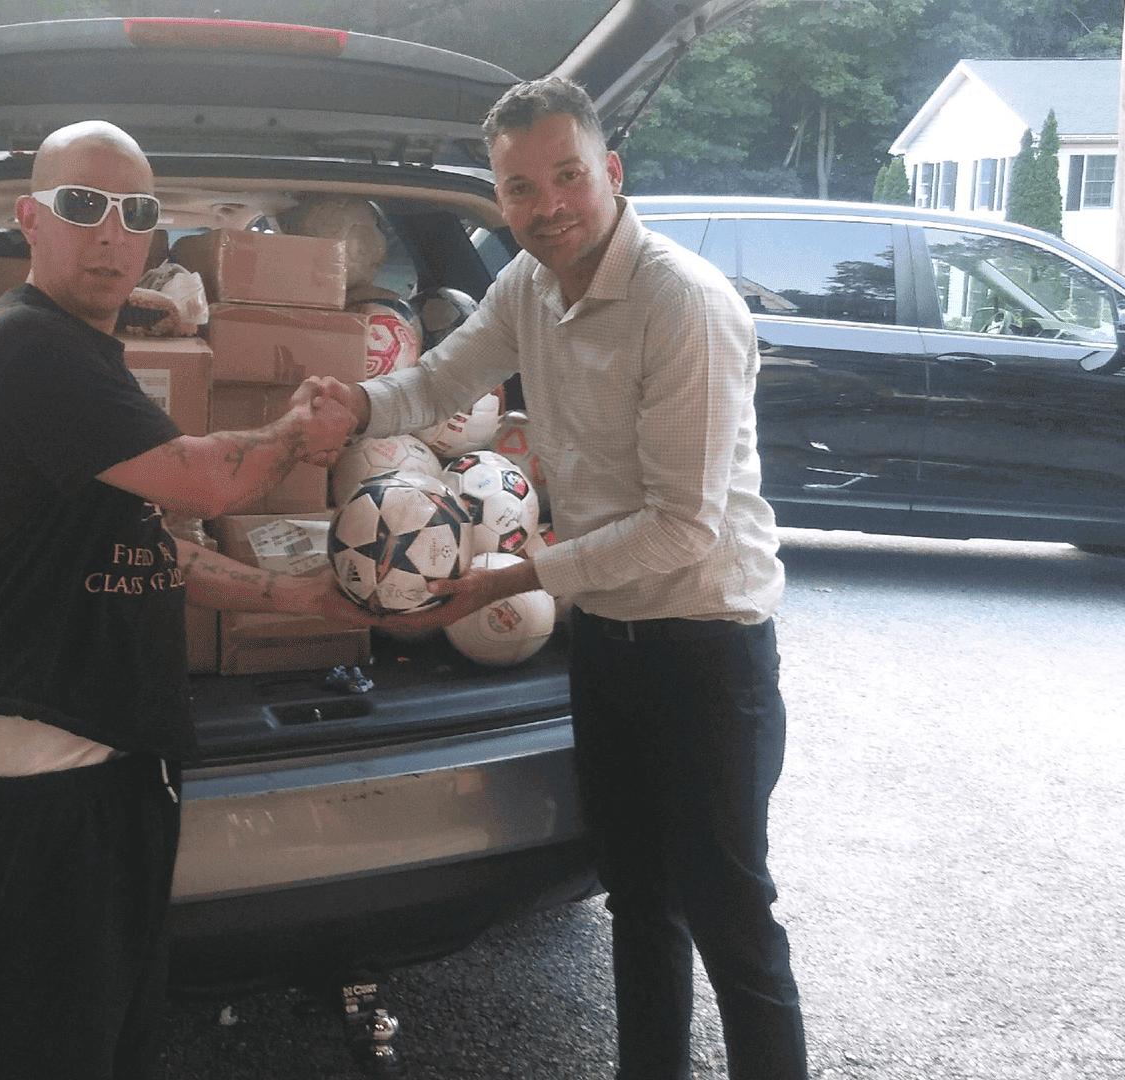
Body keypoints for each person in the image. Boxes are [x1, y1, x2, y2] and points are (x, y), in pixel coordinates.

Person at [313, 77, 810, 1080]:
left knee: (729, 917)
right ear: (499, 199)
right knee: (637, 902)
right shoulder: (529, 287)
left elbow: (680, 527)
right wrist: (350, 411)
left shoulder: (684, 304)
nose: (547, 207)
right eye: (520, 188)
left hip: (707, 646)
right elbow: (439, 381)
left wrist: (514, 577)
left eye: (567, 177)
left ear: (610, 173)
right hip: (611, 645)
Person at [0, 119, 360, 1080]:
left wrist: (296, 601)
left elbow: (143, 549)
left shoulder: (86, 356)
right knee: (45, 1047)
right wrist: (299, 430)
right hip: (44, 758)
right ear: (30, 218)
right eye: (84, 207)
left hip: (109, 752)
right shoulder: (23, 349)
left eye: (137, 214)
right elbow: (206, 483)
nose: (112, 235)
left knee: (112, 1035)